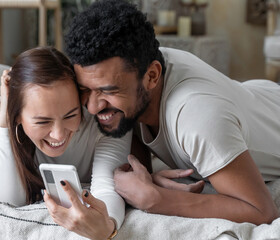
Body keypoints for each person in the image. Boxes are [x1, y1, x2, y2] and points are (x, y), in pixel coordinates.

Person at [64, 0, 280, 225]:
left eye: (108, 91)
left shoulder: (198, 118)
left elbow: (262, 211)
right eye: (84, 90)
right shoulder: (135, 70)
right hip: (254, 97)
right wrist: (149, 179)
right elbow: (137, 165)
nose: (93, 107)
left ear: (152, 76)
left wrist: (158, 199)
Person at [0, 46, 134, 239]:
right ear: (16, 115)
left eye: (71, 115)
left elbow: (107, 186)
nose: (58, 135)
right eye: (42, 121)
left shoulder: (106, 121)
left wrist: (108, 226)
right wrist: (6, 123)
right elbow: (3, 203)